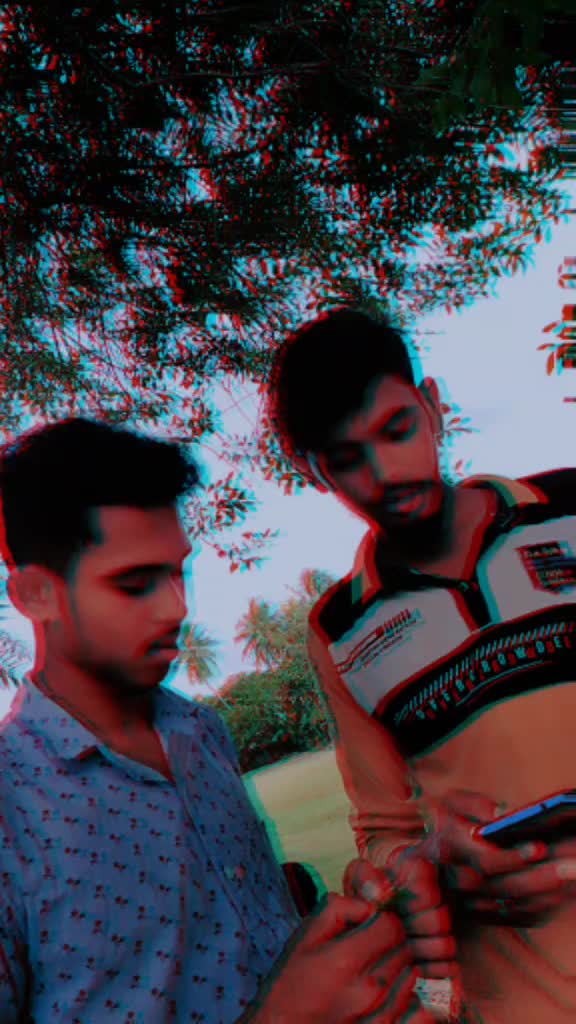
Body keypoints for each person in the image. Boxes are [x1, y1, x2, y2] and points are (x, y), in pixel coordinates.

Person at [0, 416, 444, 1023]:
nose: (176, 608)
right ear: (34, 594)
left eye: (177, 571)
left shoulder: (200, 733)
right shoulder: (11, 809)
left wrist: (349, 934)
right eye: (134, 584)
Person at [267, 307, 576, 1024]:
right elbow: (385, 831)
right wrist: (437, 858)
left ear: (432, 406)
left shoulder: (567, 506)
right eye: (348, 458)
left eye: (398, 429)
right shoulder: (339, 629)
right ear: (313, 470)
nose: (385, 473)